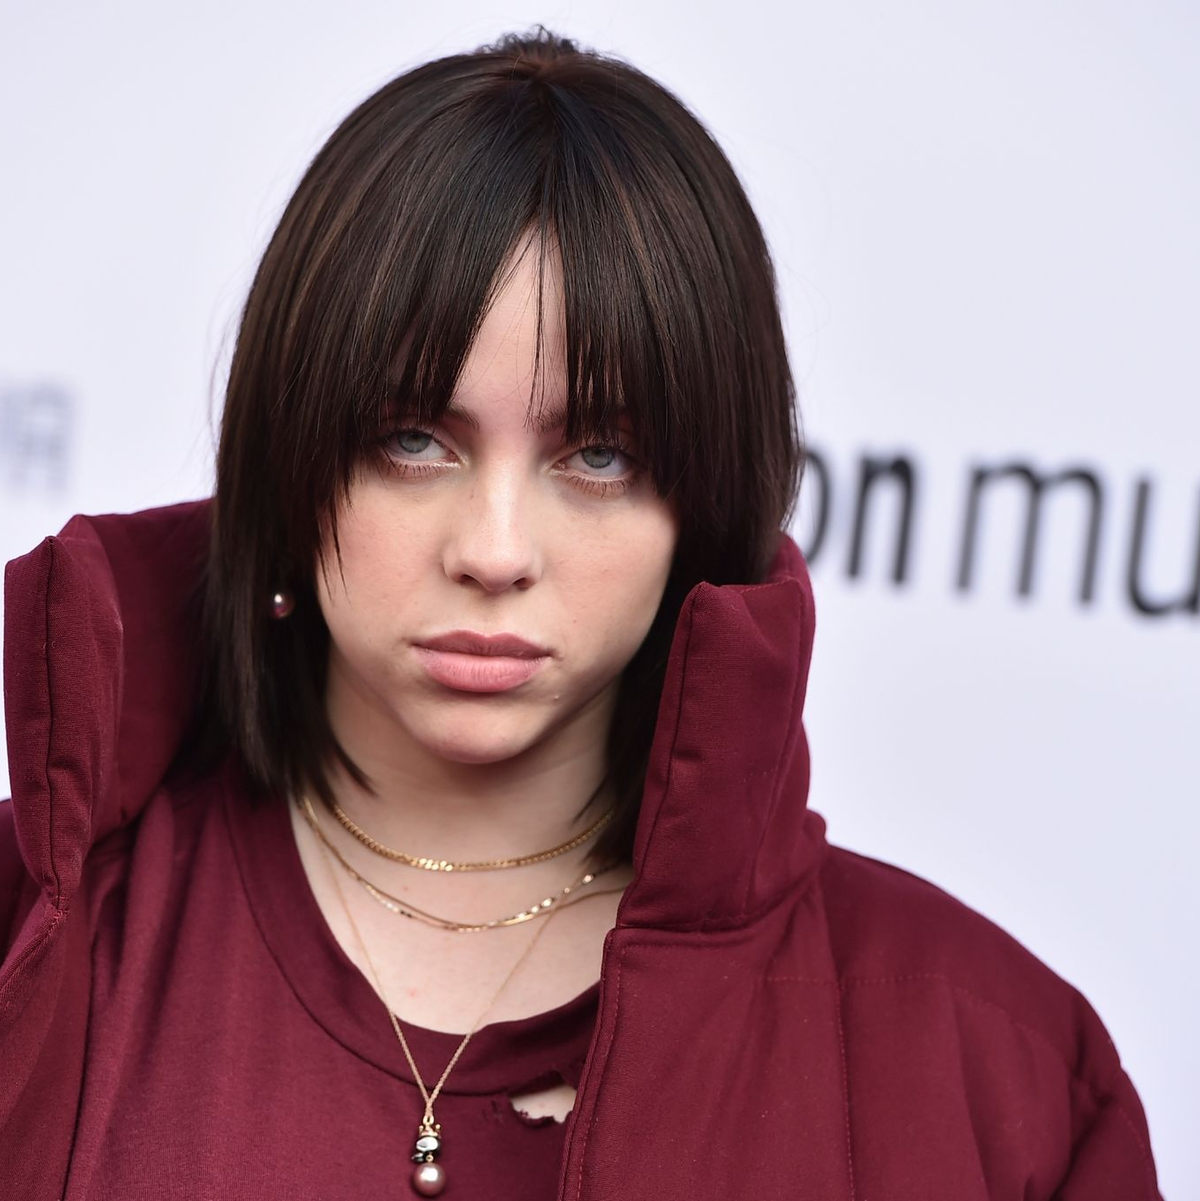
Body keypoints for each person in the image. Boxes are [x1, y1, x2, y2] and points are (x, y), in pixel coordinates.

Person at [0, 26, 1162, 1201]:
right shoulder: (31, 949)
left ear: (704, 505)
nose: (495, 551)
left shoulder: (998, 1073)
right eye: (413, 441)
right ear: (289, 458)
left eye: (599, 455)